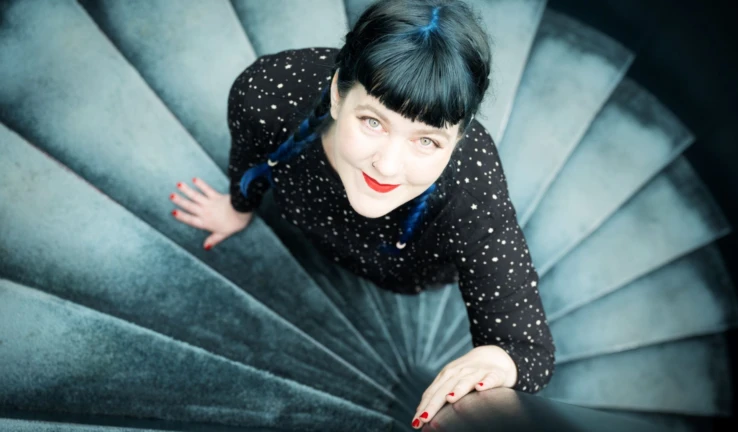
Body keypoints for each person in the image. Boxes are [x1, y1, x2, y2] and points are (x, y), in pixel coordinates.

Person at [169, 0, 555, 429]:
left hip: (402, 273)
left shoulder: (472, 189)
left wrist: (495, 360)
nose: (387, 166)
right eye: (373, 121)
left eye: (426, 141)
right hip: (312, 228)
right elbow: (249, 154)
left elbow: (529, 351)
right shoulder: (272, 92)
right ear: (338, 94)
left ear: (459, 139)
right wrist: (238, 206)